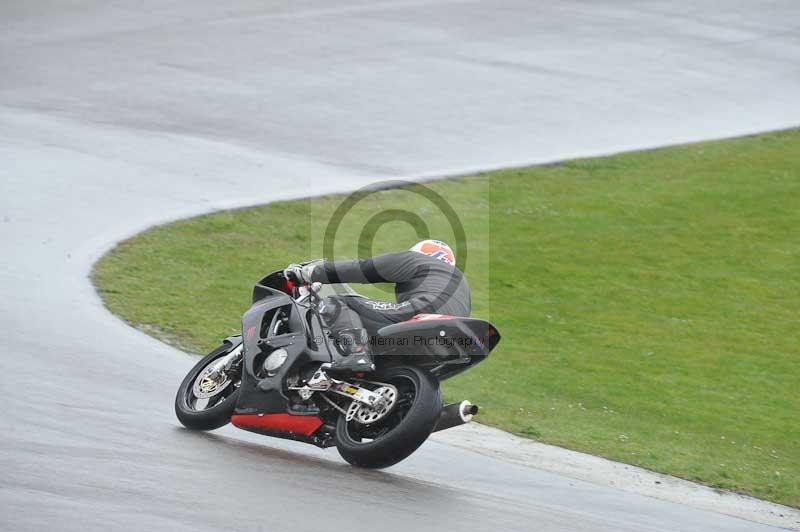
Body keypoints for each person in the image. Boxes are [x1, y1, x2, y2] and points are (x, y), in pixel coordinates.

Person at [284, 239, 470, 374]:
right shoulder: (462, 282)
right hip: (453, 335)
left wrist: (311, 273)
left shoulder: (415, 260)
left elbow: (363, 269)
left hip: (424, 313)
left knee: (340, 302)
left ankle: (357, 353)